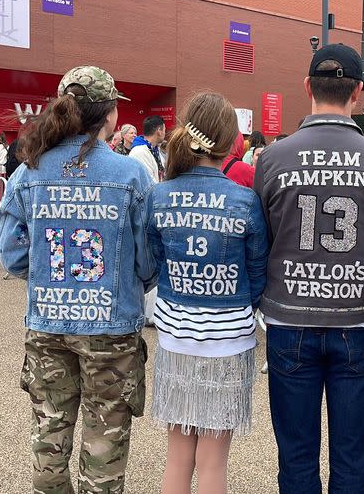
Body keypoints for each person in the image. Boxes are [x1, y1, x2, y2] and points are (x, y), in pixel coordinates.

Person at [0, 65, 155, 493]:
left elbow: (11, 255)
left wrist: (48, 273)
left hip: (47, 322)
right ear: (109, 115)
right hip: (111, 328)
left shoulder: (28, 172)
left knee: (49, 432)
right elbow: (146, 262)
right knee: (105, 436)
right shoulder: (131, 175)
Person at [254, 44, 364, 494]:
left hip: (288, 316)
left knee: (296, 458)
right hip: (356, 319)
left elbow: (259, 239)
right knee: (352, 463)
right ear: (358, 90)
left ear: (307, 88)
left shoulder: (273, 158)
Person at [146, 91, 269, 494]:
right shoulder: (243, 200)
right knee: (213, 461)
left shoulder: (160, 195)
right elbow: (256, 272)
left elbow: (153, 261)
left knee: (178, 454)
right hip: (228, 340)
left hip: (175, 338)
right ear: (230, 141)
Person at [130, 116, 166, 182]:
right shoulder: (139, 152)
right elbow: (148, 182)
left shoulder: (155, 149)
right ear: (159, 131)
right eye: (164, 130)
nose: (165, 133)